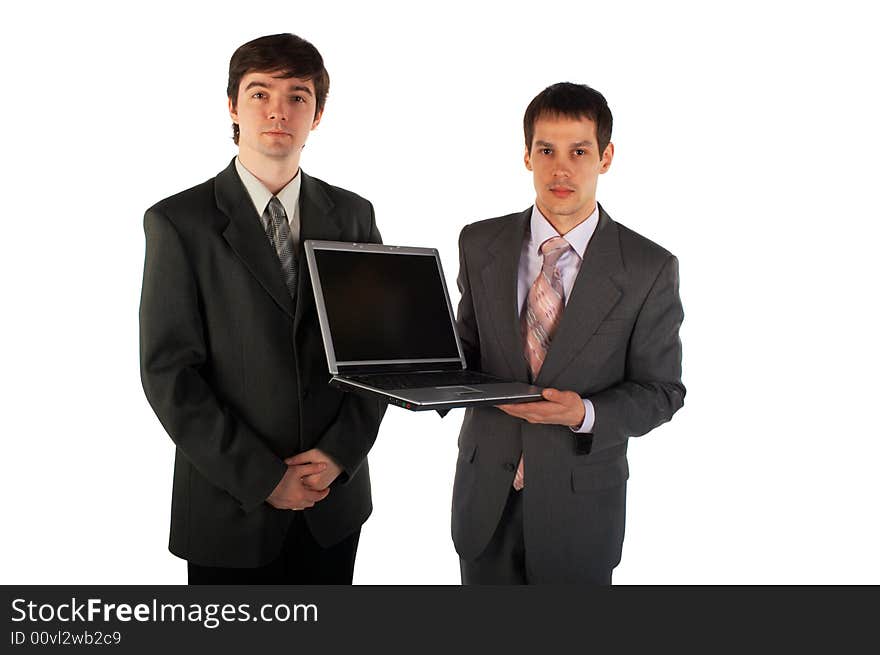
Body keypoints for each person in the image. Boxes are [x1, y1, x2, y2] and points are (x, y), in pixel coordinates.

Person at [139, 33, 385, 584]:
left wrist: (341, 454)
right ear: (232, 105)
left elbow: (377, 358)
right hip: (231, 507)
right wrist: (264, 478)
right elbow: (170, 373)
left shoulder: (353, 217)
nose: (278, 111)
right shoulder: (180, 224)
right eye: (259, 93)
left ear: (317, 114)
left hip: (332, 504)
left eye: (297, 96)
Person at [452, 82, 685, 584]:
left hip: (580, 510)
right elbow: (464, 352)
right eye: (546, 150)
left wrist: (586, 413)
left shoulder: (648, 267)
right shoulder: (478, 242)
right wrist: (409, 367)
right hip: (484, 499)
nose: (561, 169)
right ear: (526, 156)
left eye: (579, 151)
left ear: (605, 157)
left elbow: (662, 391)